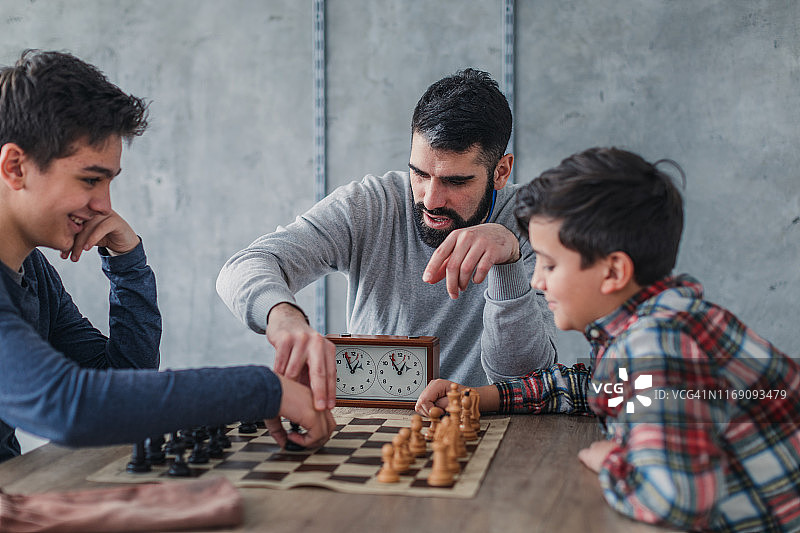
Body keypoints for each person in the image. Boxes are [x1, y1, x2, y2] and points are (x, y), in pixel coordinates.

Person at [415, 147, 800, 532]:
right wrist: (482, 397)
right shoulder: (653, 327)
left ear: (613, 271)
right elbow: (600, 387)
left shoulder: (657, 344)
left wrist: (613, 459)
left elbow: (677, 502)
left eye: (550, 264)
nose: (537, 281)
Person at [0, 49, 334, 464]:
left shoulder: (31, 270)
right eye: (90, 179)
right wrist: (267, 389)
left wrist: (128, 266)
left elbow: (118, 382)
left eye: (109, 182)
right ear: (15, 166)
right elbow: (68, 407)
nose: (105, 205)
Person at [216, 69, 557, 411]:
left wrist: (508, 263)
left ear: (500, 171)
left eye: (456, 182)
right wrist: (282, 314)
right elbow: (243, 267)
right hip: (373, 430)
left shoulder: (532, 223)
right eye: (420, 174)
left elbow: (523, 381)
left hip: (487, 435)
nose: (431, 199)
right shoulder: (370, 204)